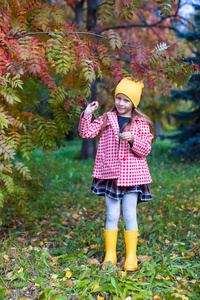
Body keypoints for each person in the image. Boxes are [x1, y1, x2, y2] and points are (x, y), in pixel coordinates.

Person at [78, 77, 156, 271]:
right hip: (110, 174)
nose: (121, 103)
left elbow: (145, 149)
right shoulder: (106, 118)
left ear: (134, 103)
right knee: (112, 214)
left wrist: (133, 140)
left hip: (133, 176)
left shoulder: (140, 123)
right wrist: (87, 114)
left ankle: (131, 256)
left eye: (126, 100)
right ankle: (110, 255)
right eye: (118, 98)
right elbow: (86, 133)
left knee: (130, 214)